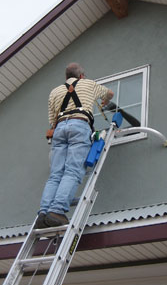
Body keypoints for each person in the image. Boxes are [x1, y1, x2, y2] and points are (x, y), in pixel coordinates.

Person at [34, 62, 114, 228]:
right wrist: (105, 100)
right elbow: (110, 93)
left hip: (60, 128)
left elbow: (52, 121)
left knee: (56, 174)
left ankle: (44, 212)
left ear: (66, 77)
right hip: (79, 125)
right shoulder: (88, 83)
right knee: (72, 170)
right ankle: (57, 210)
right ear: (81, 76)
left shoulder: (54, 92)